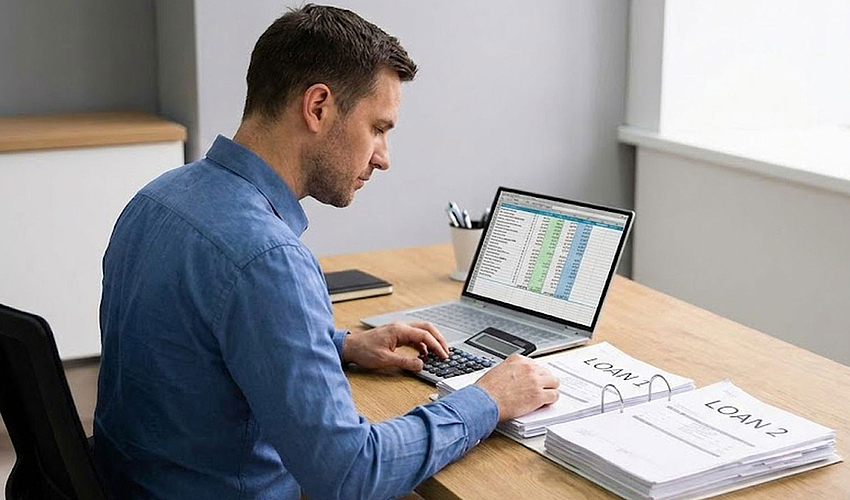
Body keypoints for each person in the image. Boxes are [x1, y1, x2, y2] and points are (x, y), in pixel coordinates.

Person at [92, 4, 560, 500]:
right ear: (317, 107)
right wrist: (487, 400)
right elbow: (350, 475)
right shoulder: (268, 258)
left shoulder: (156, 198)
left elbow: (197, 345)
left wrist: (339, 345)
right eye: (378, 128)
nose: (383, 158)